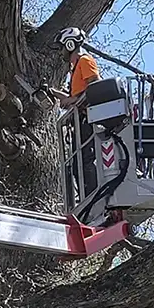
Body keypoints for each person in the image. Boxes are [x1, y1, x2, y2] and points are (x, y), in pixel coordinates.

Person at [50, 27, 99, 200]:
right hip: (79, 121)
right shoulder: (75, 69)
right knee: (76, 163)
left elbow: (95, 86)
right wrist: (53, 93)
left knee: (85, 160)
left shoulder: (85, 61)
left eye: (63, 47)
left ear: (70, 44)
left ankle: (93, 195)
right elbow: (73, 98)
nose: (61, 52)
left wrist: (73, 101)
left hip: (87, 118)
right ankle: (86, 196)